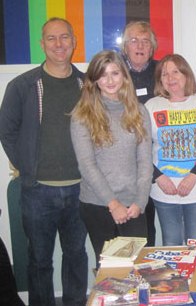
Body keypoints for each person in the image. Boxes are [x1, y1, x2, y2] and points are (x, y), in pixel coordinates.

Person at [0, 17, 88, 305]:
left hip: (81, 189)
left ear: (74, 42)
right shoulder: (22, 86)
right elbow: (7, 130)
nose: (59, 44)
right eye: (52, 38)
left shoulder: (87, 85)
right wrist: (27, 166)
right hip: (37, 191)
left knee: (76, 255)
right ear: (42, 44)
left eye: (64, 37)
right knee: (39, 260)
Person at [70, 50, 153, 268]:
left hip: (134, 204)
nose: (109, 80)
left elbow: (145, 161)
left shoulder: (139, 111)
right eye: (103, 74)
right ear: (95, 79)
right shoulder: (82, 114)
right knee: (111, 272)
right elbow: (87, 165)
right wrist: (113, 204)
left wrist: (140, 201)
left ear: (124, 76)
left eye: (115, 73)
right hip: (98, 205)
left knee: (135, 268)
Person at [145, 54, 196, 246]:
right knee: (171, 243)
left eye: (176, 72)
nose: (170, 78)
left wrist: (193, 176)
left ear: (186, 75)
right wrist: (158, 176)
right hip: (163, 189)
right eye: (165, 74)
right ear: (160, 80)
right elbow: (140, 148)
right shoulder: (151, 106)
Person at [121, 21, 159, 246]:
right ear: (125, 47)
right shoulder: (114, 71)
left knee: (146, 227)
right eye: (134, 40)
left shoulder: (162, 71)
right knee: (123, 233)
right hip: (121, 163)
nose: (140, 46)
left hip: (153, 161)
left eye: (145, 41)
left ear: (152, 48)